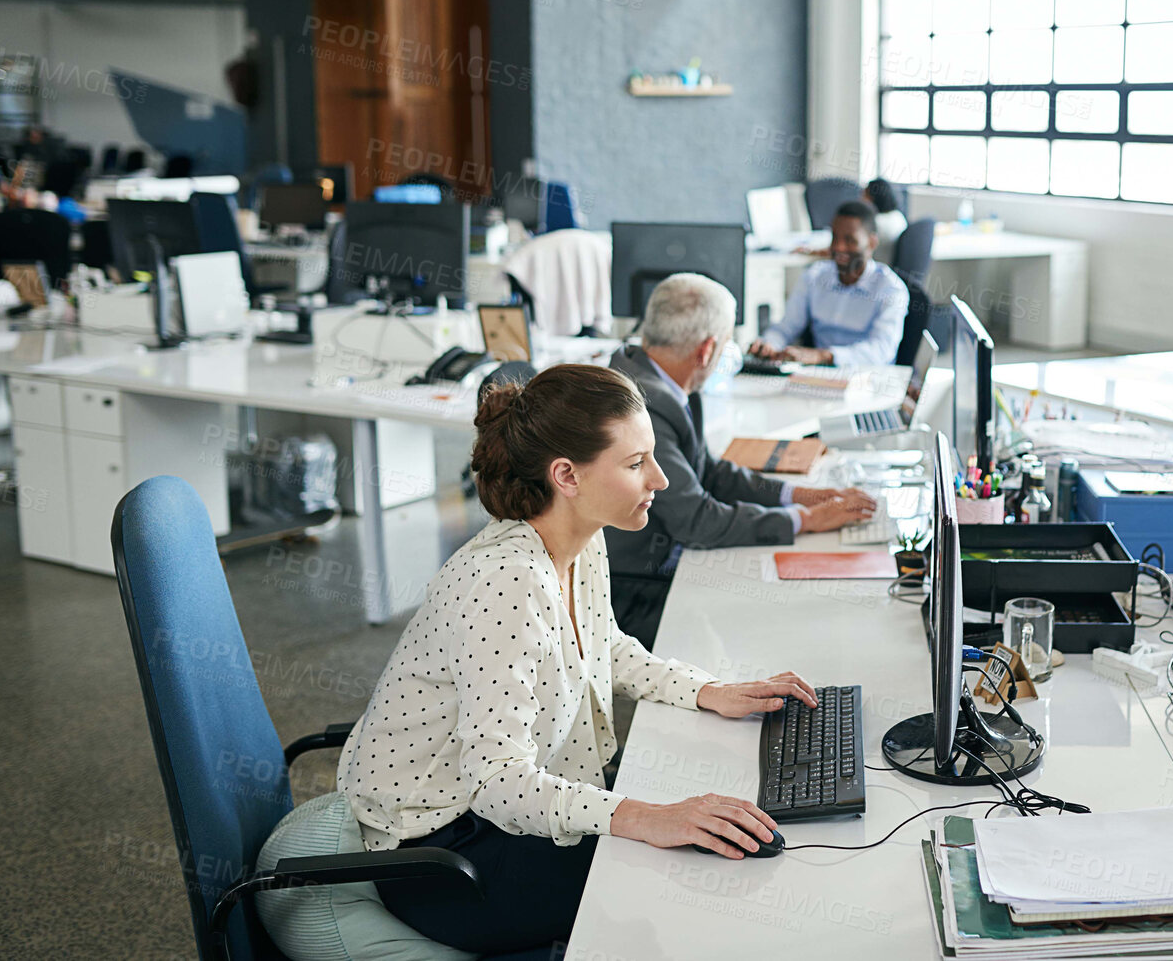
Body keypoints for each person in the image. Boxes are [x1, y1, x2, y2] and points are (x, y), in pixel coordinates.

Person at [337, 363, 823, 955]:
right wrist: (646, 816)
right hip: (442, 853)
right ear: (566, 475)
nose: (662, 480)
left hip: (504, 812)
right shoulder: (505, 585)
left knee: (709, 831)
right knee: (688, 885)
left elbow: (602, 644)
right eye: (635, 462)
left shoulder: (582, 537)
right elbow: (497, 783)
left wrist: (707, 689)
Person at [608, 273, 875, 641]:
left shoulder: (660, 378)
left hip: (670, 563)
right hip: (639, 589)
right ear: (706, 351)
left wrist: (797, 496)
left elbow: (709, 472)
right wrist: (806, 520)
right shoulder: (644, 405)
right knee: (776, 619)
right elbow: (697, 520)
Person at [749, 200, 910, 366]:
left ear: (872, 243)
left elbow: (881, 350)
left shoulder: (891, 289)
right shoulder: (815, 276)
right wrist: (769, 343)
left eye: (850, 240)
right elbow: (786, 327)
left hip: (868, 378)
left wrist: (825, 356)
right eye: (835, 238)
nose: (839, 247)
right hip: (819, 376)